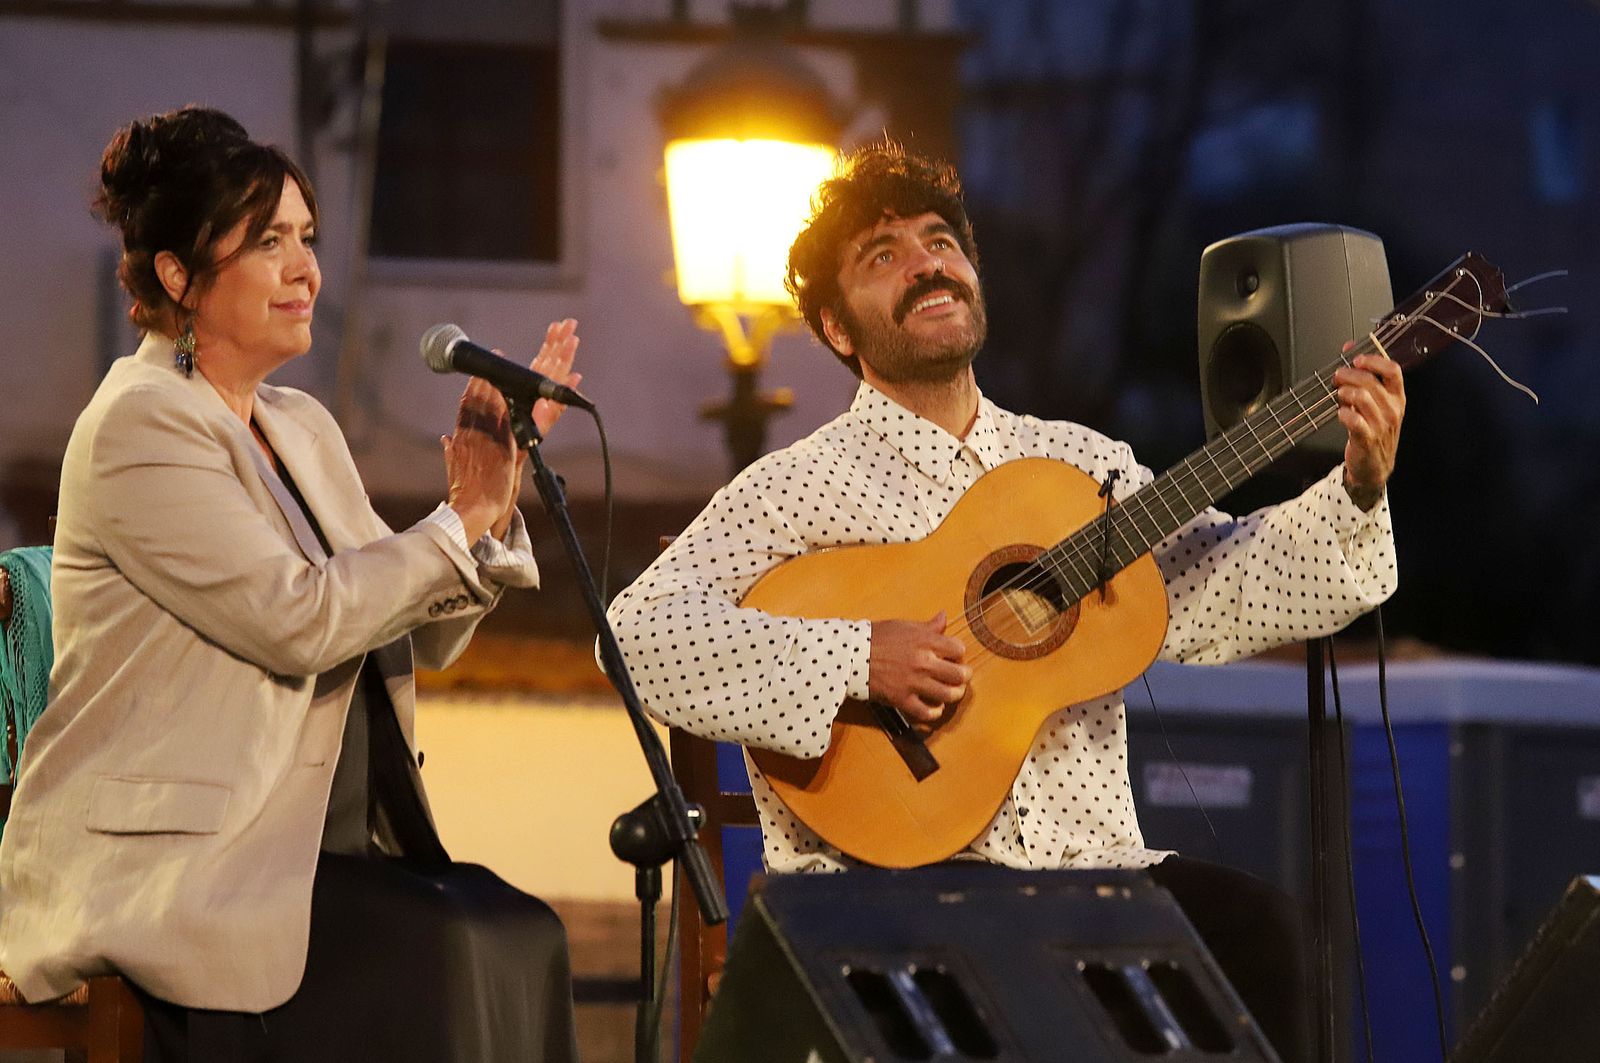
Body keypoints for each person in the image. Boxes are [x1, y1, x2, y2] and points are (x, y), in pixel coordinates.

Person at [606, 143, 1403, 1061]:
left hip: (1092, 876)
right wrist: (857, 656)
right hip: (888, 891)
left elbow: (1218, 583)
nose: (927, 264)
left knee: (1265, 930)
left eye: (941, 241)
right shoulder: (791, 491)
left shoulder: (1082, 464)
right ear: (836, 326)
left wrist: (1359, 485)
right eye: (883, 255)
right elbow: (634, 637)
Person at [0, 106, 582, 1062]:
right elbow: (299, 621)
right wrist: (458, 521)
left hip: (317, 851)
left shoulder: (298, 423)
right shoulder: (140, 424)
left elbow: (417, 631)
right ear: (177, 275)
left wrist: (491, 498)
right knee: (452, 947)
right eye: (269, 242)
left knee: (522, 933)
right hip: (186, 868)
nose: (308, 269)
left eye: (308, 238)